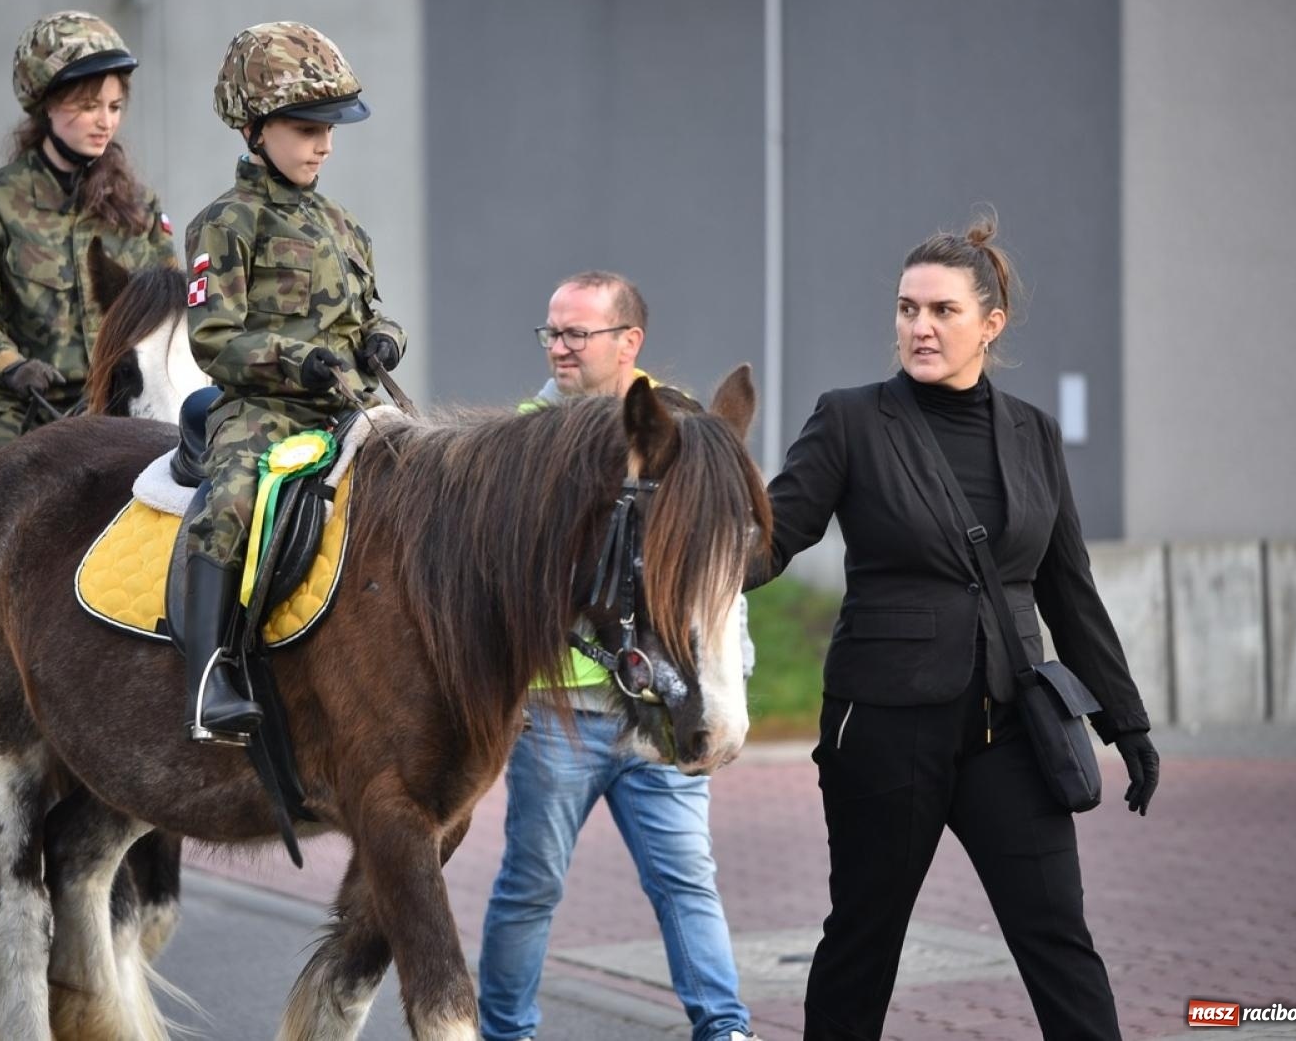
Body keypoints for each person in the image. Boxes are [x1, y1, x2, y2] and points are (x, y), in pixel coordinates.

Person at [749, 219, 1161, 1040]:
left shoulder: (1033, 433)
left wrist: (1127, 722)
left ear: (990, 324)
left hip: (1013, 725)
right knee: (864, 939)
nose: (920, 327)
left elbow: (1067, 587)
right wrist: (676, 560)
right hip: (885, 724)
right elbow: (770, 541)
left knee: (1058, 935)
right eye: (908, 309)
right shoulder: (851, 420)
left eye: (942, 311)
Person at [476, 271, 760, 1041]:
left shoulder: (681, 428)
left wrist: (724, 677)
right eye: (552, 332)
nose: (559, 347)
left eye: (577, 333)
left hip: (663, 709)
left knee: (686, 881)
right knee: (532, 886)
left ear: (630, 340)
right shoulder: (526, 435)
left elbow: (714, 569)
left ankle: (725, 1029)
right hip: (557, 712)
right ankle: (504, 1033)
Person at [0, 11, 179, 756]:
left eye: (114, 105)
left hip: (111, 404)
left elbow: (171, 311)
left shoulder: (140, 209)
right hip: (14, 402)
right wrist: (10, 365)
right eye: (86, 105)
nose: (103, 120)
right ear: (45, 105)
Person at [182, 21, 405, 742]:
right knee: (232, 499)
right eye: (307, 129)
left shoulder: (345, 225)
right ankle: (209, 677)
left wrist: (385, 338)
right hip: (264, 412)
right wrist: (295, 360)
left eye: (329, 130)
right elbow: (213, 338)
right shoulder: (225, 223)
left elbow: (373, 312)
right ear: (254, 129)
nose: (324, 145)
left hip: (353, 408)